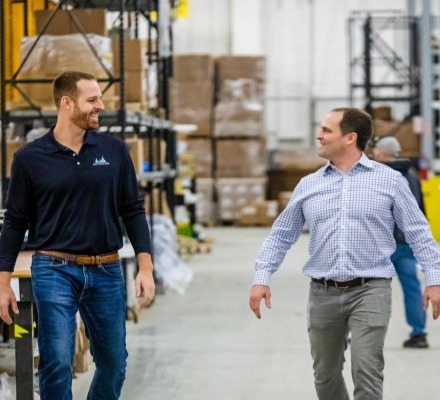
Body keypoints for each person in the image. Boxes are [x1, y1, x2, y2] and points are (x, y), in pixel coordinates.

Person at [249, 107, 440, 400]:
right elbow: (280, 235)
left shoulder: (389, 181)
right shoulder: (309, 185)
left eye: (326, 130)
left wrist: (434, 278)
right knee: (325, 376)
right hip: (323, 293)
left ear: (350, 137)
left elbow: (419, 233)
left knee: (367, 370)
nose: (319, 135)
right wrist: (261, 278)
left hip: (371, 290)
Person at [0, 71, 155, 400]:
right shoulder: (29, 159)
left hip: (106, 269)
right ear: (67, 103)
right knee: (57, 362)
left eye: (100, 98)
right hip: (54, 269)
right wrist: (2, 285)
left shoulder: (113, 151)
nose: (100, 105)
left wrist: (145, 268)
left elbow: (133, 210)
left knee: (114, 363)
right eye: (92, 100)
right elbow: (14, 223)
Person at [371, 136, 429, 348]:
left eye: (376, 149)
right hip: (405, 244)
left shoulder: (378, 175)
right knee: (411, 287)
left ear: (383, 153)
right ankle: (419, 332)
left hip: (381, 244)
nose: (374, 153)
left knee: (367, 288)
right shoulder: (411, 175)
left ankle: (362, 332)